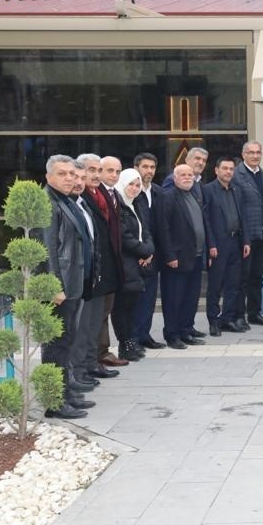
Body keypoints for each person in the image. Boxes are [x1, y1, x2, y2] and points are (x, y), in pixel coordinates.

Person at [36, 154, 92, 419]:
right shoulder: (48, 203)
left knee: (66, 341)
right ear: (48, 177)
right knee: (55, 346)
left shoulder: (65, 200)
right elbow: (48, 249)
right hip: (59, 289)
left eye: (72, 173)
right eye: (62, 173)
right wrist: (54, 286)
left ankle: (66, 394)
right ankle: (54, 403)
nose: (69, 178)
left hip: (73, 284)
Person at [77, 153, 127, 372]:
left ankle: (95, 359)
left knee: (100, 316)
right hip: (90, 271)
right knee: (87, 322)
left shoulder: (103, 194)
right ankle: (89, 363)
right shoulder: (80, 198)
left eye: (99, 170)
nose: (96, 175)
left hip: (107, 266)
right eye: (92, 170)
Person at [160, 164, 208, 349]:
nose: (187, 177)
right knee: (174, 299)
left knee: (191, 297)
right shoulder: (168, 197)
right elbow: (164, 229)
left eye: (190, 174)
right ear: (174, 178)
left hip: (195, 255)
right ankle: (172, 335)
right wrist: (170, 255)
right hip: (177, 258)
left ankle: (186, 330)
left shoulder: (194, 194)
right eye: (183, 175)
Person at [203, 157, 251, 336]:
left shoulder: (237, 190)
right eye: (225, 168)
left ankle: (227, 319)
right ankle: (213, 321)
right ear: (216, 170)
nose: (228, 172)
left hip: (236, 242)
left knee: (233, 284)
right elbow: (206, 220)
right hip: (218, 244)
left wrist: (246, 241)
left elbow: (243, 217)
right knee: (215, 285)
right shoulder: (208, 190)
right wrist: (211, 244)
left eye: (231, 169)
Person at [110, 168, 154, 361]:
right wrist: (144, 251)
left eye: (137, 185)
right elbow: (124, 236)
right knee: (122, 307)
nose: (135, 188)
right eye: (131, 184)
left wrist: (149, 251)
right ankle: (124, 345)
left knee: (132, 306)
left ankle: (131, 341)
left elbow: (146, 231)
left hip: (137, 264)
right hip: (124, 264)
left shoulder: (135, 205)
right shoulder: (118, 205)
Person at [232, 140, 263, 327]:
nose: (255, 156)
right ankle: (238, 315)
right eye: (251, 152)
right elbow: (237, 208)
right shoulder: (236, 175)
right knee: (242, 277)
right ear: (243, 155)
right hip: (246, 236)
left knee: (257, 276)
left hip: (262, 234)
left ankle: (254, 313)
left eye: (258, 152)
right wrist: (244, 237)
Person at [95, 155, 128, 368]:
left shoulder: (115, 193)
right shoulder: (96, 194)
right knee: (99, 312)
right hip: (101, 263)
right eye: (110, 170)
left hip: (113, 261)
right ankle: (99, 353)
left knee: (106, 309)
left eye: (117, 171)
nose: (114, 175)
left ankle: (102, 351)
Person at [131, 152, 166, 350]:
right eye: (145, 167)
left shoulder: (159, 192)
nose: (149, 171)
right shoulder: (130, 192)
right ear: (136, 168)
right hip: (137, 255)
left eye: (152, 167)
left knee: (150, 298)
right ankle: (133, 338)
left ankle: (145, 335)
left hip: (155, 255)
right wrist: (142, 252)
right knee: (135, 299)